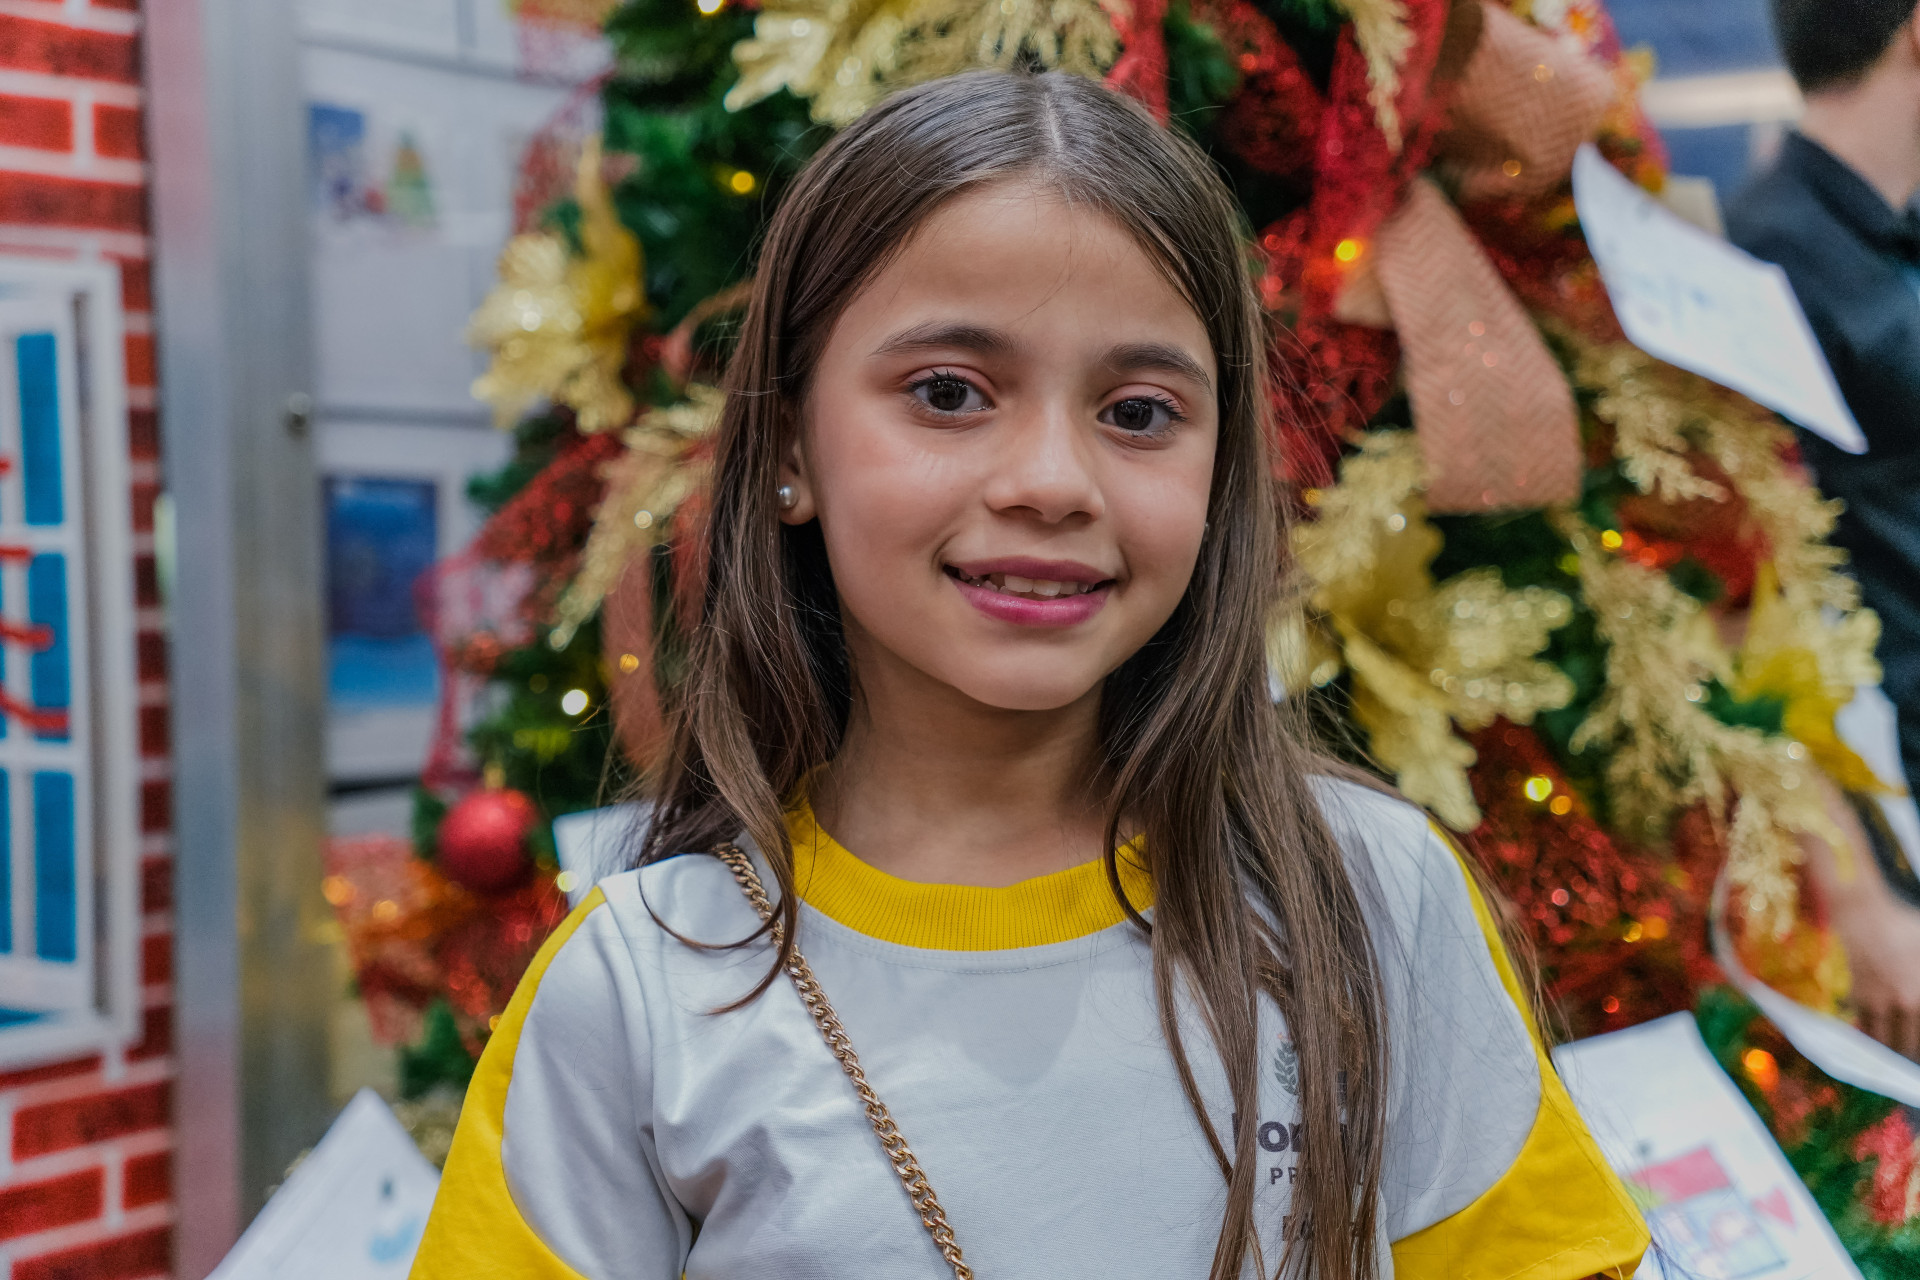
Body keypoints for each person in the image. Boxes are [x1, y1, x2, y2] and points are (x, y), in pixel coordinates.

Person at [410, 71, 1647, 1279]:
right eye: (948, 393)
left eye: (1142, 411)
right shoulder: (641, 989)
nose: (1053, 480)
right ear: (789, 443)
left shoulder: (1368, 901)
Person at [1725, 0, 1920, 1061]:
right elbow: (1730, 595)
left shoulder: (1889, 238)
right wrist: (1861, 893)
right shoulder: (1774, 256)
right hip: (1894, 820)